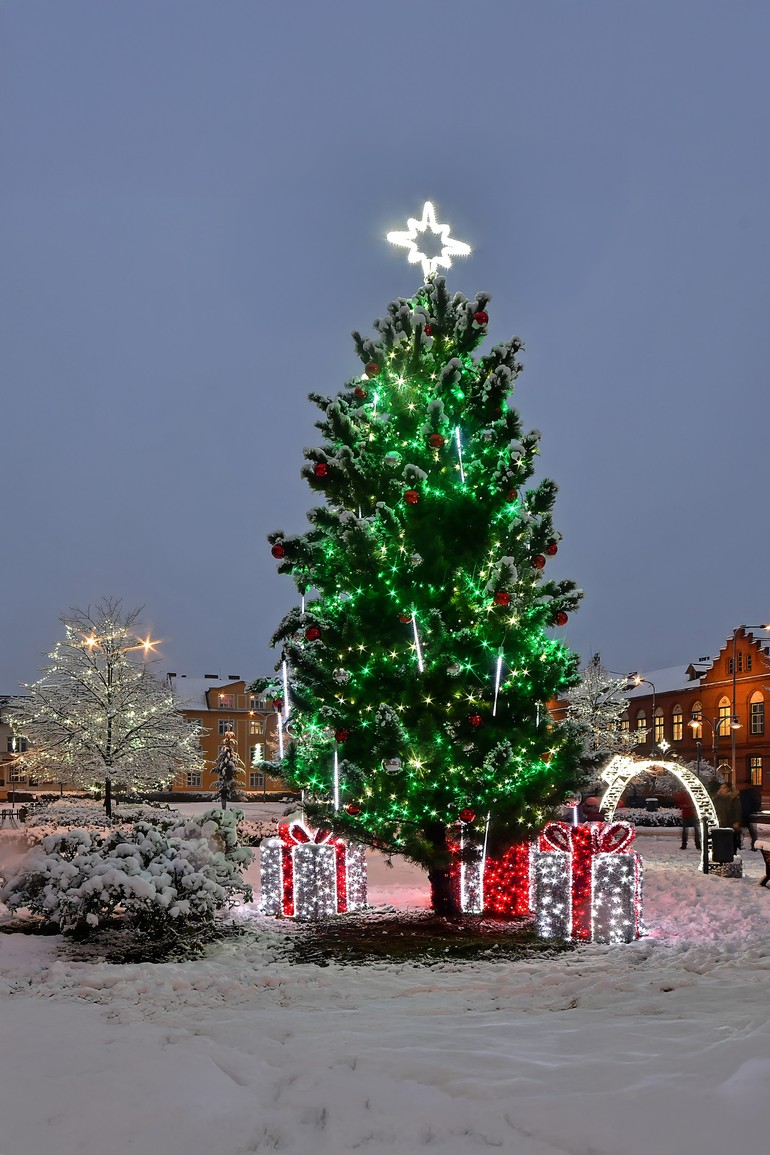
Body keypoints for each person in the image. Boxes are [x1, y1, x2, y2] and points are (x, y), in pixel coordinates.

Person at [714, 781, 742, 852]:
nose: (722, 789)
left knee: (732, 842)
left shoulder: (734, 798)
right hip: (721, 823)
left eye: (724, 788)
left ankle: (732, 854)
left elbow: (738, 810)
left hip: (731, 823)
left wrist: (737, 821)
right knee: (722, 842)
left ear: (728, 789)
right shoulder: (718, 798)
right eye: (721, 788)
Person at [738, 784, 761, 851]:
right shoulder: (755, 793)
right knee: (753, 832)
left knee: (742, 831)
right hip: (751, 815)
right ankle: (754, 846)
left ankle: (740, 845)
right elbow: (758, 803)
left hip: (743, 814)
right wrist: (754, 810)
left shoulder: (741, 793)